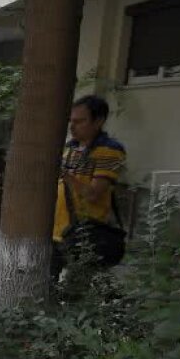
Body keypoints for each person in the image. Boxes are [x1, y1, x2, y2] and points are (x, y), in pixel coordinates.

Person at [51, 95, 127, 279]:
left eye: (80, 121)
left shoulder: (108, 150)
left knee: (76, 290)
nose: (72, 127)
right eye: (71, 121)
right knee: (47, 285)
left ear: (99, 121)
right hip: (56, 231)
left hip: (84, 233)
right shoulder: (70, 148)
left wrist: (64, 174)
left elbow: (93, 194)